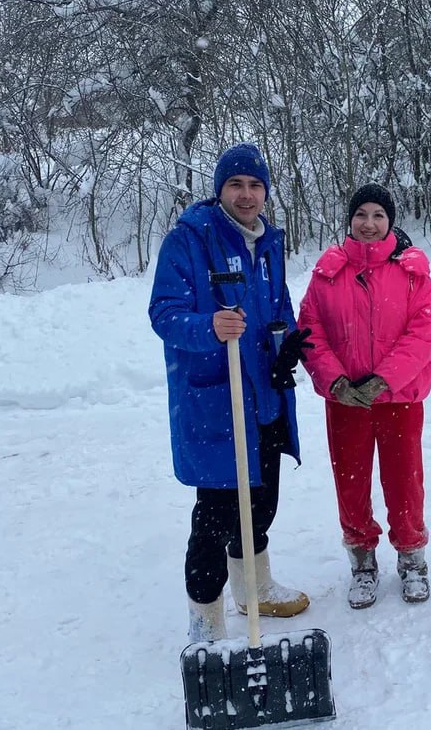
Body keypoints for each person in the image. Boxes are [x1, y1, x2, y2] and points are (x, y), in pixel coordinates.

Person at [148, 143, 314, 643]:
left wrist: (287, 345)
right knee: (216, 516)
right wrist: (208, 326)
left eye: (255, 185)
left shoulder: (270, 244)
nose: (246, 194)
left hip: (264, 396)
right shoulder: (189, 240)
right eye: (236, 184)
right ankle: (206, 622)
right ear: (220, 189)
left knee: (260, 503)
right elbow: (164, 313)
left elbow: (277, 306)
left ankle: (255, 589)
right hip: (217, 401)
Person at [297, 183, 431, 609]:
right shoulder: (327, 275)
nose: (370, 223)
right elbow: (310, 332)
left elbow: (423, 334)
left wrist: (383, 379)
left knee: (404, 481)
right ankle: (362, 562)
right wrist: (337, 382)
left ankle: (412, 558)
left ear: (390, 221)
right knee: (351, 483)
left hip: (400, 398)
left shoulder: (413, 273)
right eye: (361, 214)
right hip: (346, 402)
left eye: (379, 214)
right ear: (350, 220)